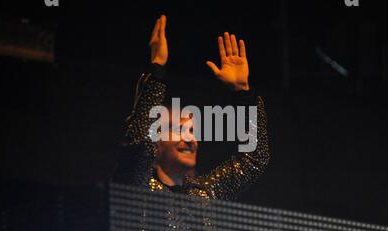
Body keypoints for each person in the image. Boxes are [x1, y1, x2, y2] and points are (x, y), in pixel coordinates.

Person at [111, 15, 270, 201]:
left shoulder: (204, 194)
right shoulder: (137, 188)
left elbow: (254, 160)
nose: (190, 139)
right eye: (178, 129)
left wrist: (244, 94)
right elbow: (137, 143)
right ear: (155, 143)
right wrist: (157, 71)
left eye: (192, 131)